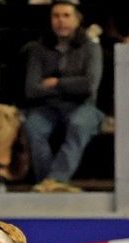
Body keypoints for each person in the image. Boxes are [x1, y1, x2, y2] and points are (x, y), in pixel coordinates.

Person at [22, 1, 104, 192]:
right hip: (47, 107)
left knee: (79, 124)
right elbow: (32, 89)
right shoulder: (38, 49)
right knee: (33, 127)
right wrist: (71, 85)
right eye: (56, 16)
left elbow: (89, 86)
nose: (61, 21)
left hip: (83, 105)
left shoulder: (91, 48)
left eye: (66, 16)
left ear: (77, 20)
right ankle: (47, 183)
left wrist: (57, 82)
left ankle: (55, 180)